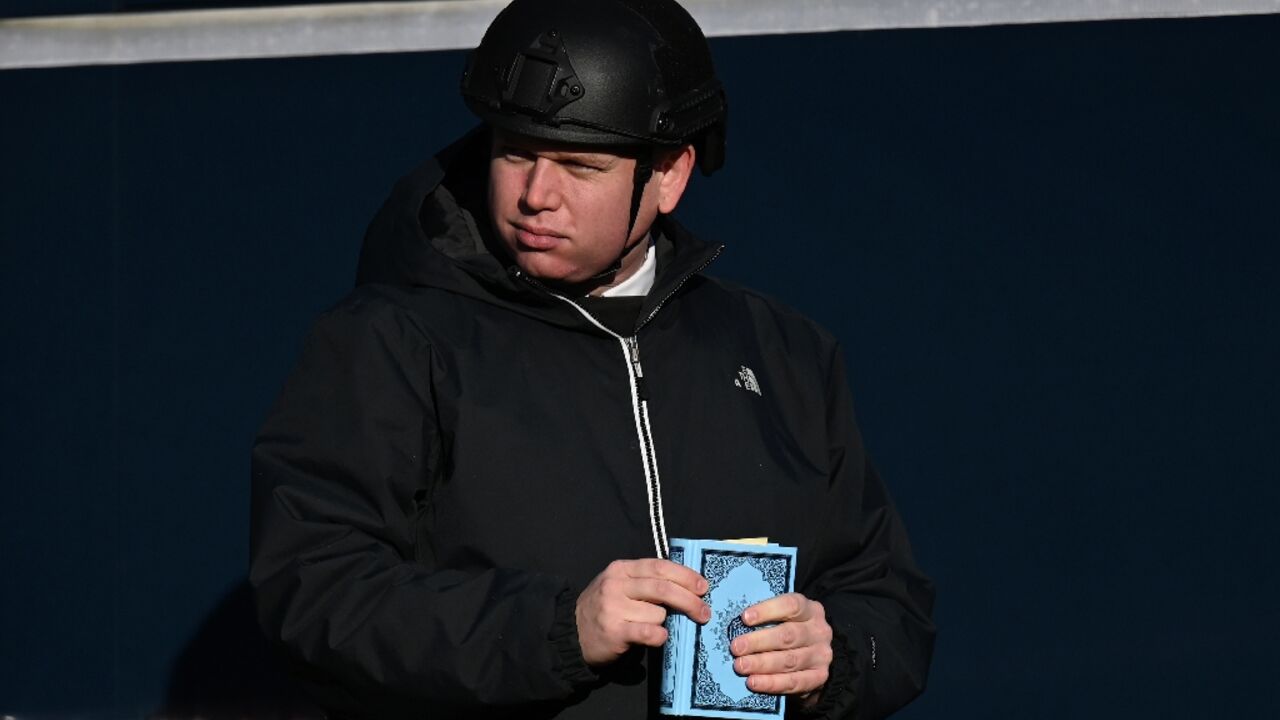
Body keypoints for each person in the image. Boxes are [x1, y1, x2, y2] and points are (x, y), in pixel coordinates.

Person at [249, 0, 935, 717]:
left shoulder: (783, 351)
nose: (535, 196)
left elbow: (889, 600)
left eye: (580, 165)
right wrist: (557, 630)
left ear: (669, 175)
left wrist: (836, 655)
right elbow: (313, 591)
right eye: (514, 151)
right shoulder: (389, 341)